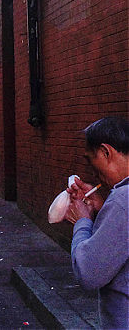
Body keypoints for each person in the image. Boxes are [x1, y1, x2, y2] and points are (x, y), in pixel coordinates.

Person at [65, 116, 129, 330]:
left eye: (92, 160)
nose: (93, 171)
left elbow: (89, 272)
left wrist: (82, 221)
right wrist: (103, 211)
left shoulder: (123, 200)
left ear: (106, 152)